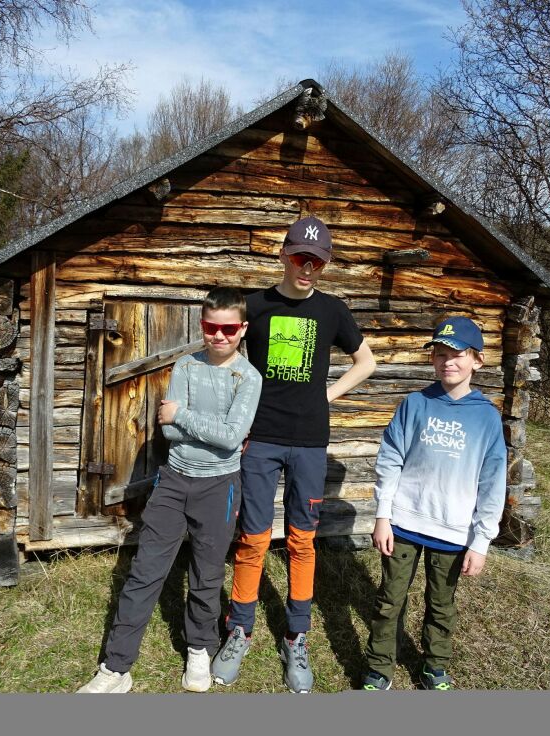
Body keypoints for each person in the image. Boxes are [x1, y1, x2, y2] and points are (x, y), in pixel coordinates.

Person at [211, 215, 377, 693]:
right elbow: (227, 360)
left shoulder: (333, 310)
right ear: (284, 254)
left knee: (303, 540)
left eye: (317, 262)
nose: (308, 268)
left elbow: (366, 361)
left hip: (309, 441)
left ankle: (296, 636)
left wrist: (327, 396)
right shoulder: (256, 306)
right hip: (260, 438)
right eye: (301, 257)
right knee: (254, 537)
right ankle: (239, 629)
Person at [77, 287, 262, 694]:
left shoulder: (249, 378)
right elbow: (169, 428)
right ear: (202, 324)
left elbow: (231, 439)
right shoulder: (185, 366)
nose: (219, 336)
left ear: (242, 329)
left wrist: (184, 415)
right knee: (145, 571)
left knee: (207, 572)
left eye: (228, 328)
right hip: (175, 479)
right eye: (212, 327)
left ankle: (199, 648)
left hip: (219, 486)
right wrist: (186, 422)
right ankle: (116, 667)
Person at [360, 315, 506, 691]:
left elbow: (493, 483)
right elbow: (390, 460)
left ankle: (434, 666)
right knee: (389, 600)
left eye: (457, 354)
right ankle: (379, 667)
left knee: (441, 605)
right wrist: (382, 516)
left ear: (477, 360)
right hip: (404, 523)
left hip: (453, 529)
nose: (447, 362)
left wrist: (481, 541)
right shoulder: (415, 404)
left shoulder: (487, 418)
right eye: (440, 354)